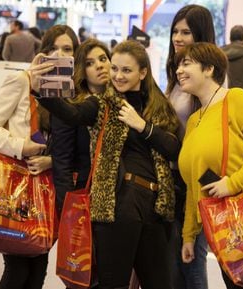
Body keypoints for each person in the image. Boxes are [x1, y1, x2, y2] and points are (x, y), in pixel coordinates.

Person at [30, 39, 181, 289]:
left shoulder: (158, 107)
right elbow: (72, 113)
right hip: (118, 204)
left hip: (156, 207)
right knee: (113, 284)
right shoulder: (102, 104)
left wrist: (142, 126)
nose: (118, 76)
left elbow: (173, 148)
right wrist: (42, 90)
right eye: (115, 69)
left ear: (143, 73)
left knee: (161, 283)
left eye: (126, 70)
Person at [0, 24, 79, 289]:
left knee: (38, 269)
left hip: (49, 192)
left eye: (67, 49)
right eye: (53, 48)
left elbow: (73, 145)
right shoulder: (22, 80)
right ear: (43, 51)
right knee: (17, 268)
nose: (59, 54)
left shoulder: (73, 93)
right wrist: (21, 146)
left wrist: (52, 159)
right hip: (16, 188)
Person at [175, 42, 243, 289]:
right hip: (221, 229)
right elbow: (193, 184)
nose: (179, 70)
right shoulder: (194, 120)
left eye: (186, 63)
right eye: (178, 64)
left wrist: (232, 183)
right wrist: (189, 236)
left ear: (209, 69)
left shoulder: (236, 99)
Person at [165, 4, 226, 289]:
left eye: (186, 32)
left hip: (201, 180)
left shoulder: (212, 82)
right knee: (179, 257)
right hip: (176, 177)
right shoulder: (177, 74)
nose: (177, 37)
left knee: (192, 259)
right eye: (175, 31)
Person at [51, 38, 111, 218]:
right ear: (82, 71)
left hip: (116, 198)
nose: (99, 66)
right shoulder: (72, 105)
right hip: (84, 195)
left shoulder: (121, 100)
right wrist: (67, 212)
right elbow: (62, 163)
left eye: (103, 59)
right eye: (90, 63)